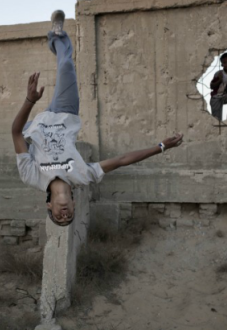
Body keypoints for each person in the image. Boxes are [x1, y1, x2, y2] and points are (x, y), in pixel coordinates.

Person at [11, 10, 184, 226]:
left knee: (28, 128)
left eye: (58, 217)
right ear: (74, 205)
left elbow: (15, 132)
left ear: (49, 207)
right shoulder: (82, 176)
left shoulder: (31, 177)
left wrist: (30, 100)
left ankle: (56, 39)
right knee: (66, 66)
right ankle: (57, 37)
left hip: (34, 124)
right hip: (65, 112)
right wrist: (161, 147)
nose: (64, 215)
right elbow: (121, 161)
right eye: (69, 216)